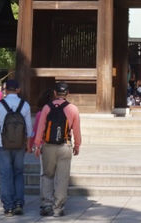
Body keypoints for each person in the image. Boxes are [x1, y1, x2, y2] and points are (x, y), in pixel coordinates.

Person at [0, 78, 33, 216]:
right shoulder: (25, 105)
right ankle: (19, 203)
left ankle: (8, 207)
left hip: (3, 145)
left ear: (5, 90)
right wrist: (28, 145)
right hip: (20, 145)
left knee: (6, 175)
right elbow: (29, 129)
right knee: (18, 173)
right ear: (18, 90)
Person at [33, 81, 81, 217]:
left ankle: (47, 205)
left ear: (55, 93)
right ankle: (58, 207)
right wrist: (77, 145)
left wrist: (37, 145)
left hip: (48, 146)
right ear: (68, 93)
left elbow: (41, 127)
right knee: (62, 177)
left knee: (48, 176)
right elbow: (76, 130)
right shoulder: (73, 109)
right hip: (65, 146)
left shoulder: (46, 108)